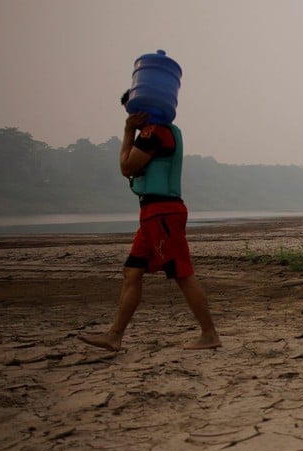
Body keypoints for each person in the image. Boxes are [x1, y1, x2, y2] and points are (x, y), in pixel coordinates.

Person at [80, 92, 221, 351]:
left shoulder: (154, 132)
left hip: (163, 214)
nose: (131, 117)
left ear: (143, 108)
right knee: (131, 271)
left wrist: (127, 132)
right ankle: (114, 336)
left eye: (132, 112)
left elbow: (127, 167)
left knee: (182, 274)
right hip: (152, 214)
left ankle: (209, 334)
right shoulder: (164, 131)